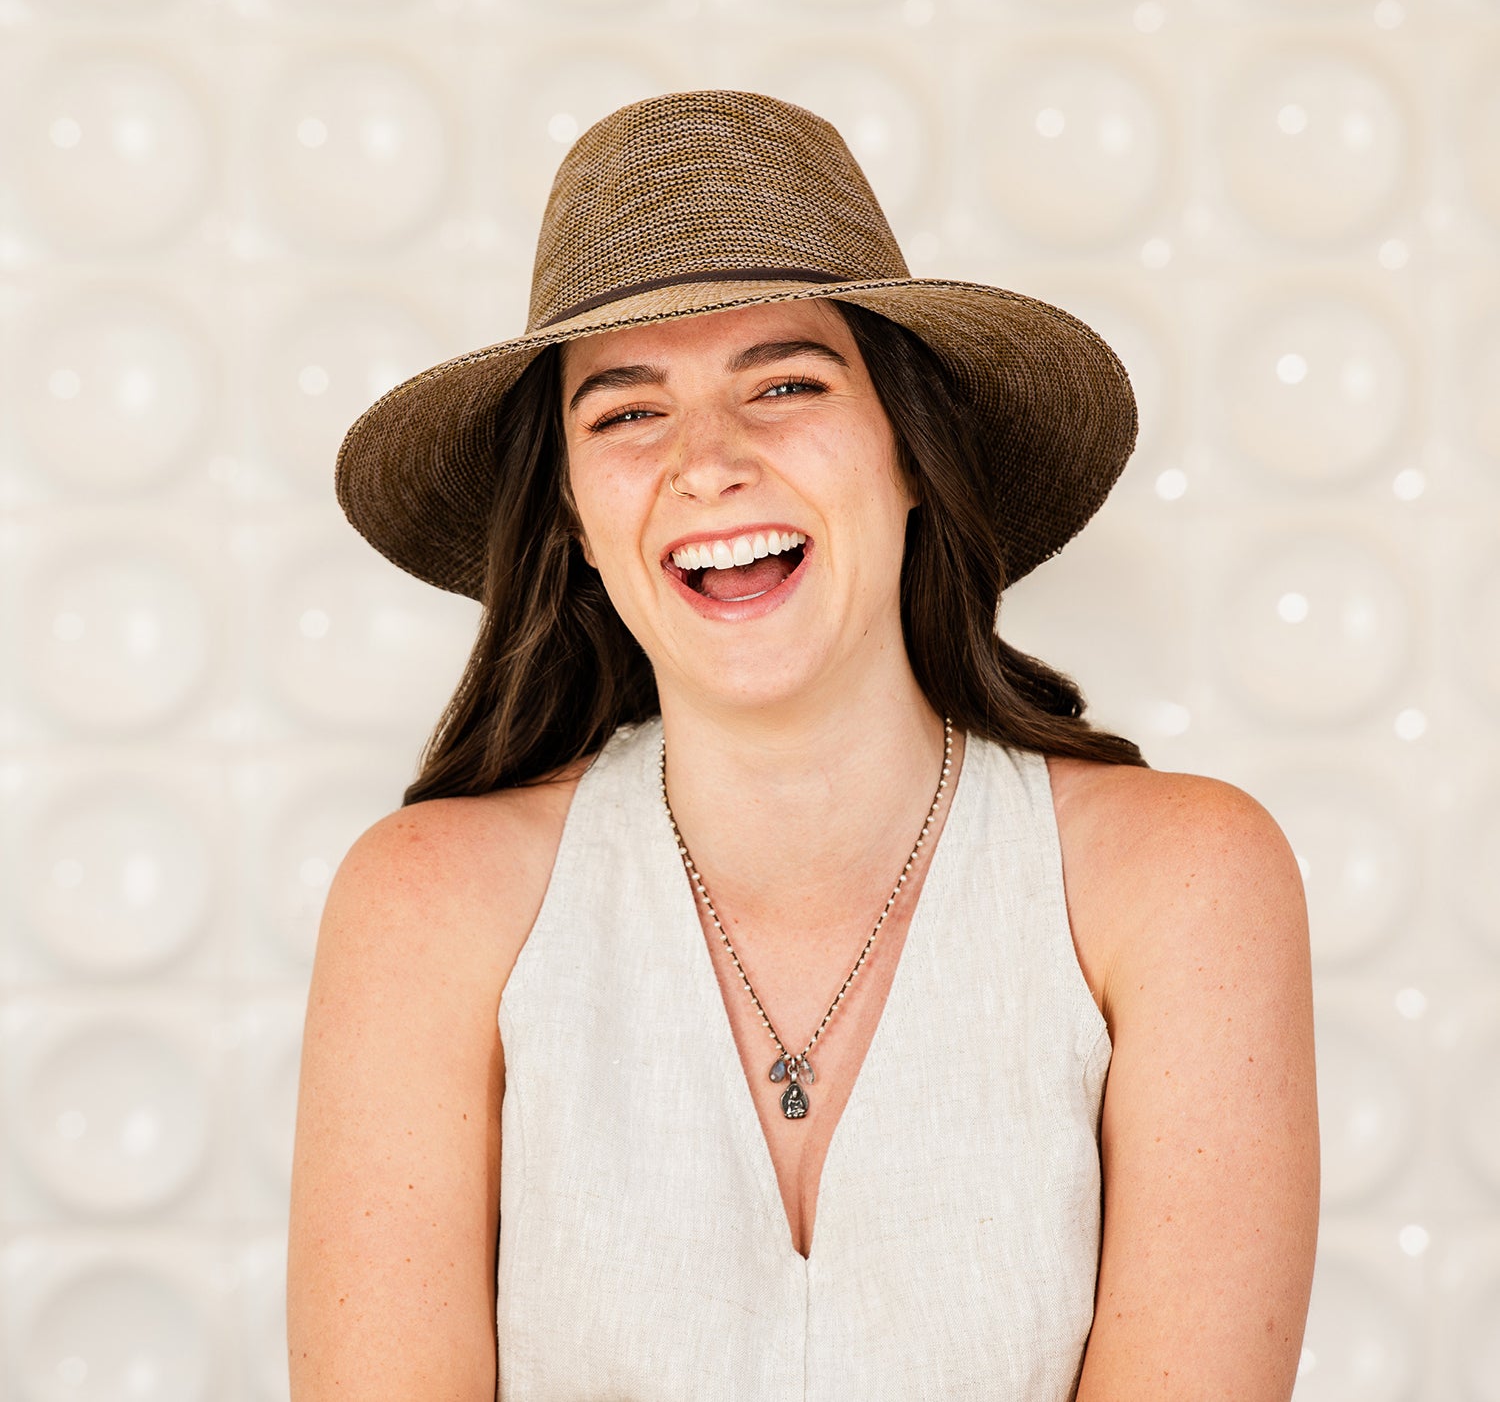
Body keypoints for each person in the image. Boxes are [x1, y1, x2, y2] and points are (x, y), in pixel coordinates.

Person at [286, 89, 1319, 1401]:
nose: (708, 462)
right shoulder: (427, 907)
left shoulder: (1179, 884)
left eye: (785, 383)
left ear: (908, 451)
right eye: (625, 411)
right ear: (570, 512)